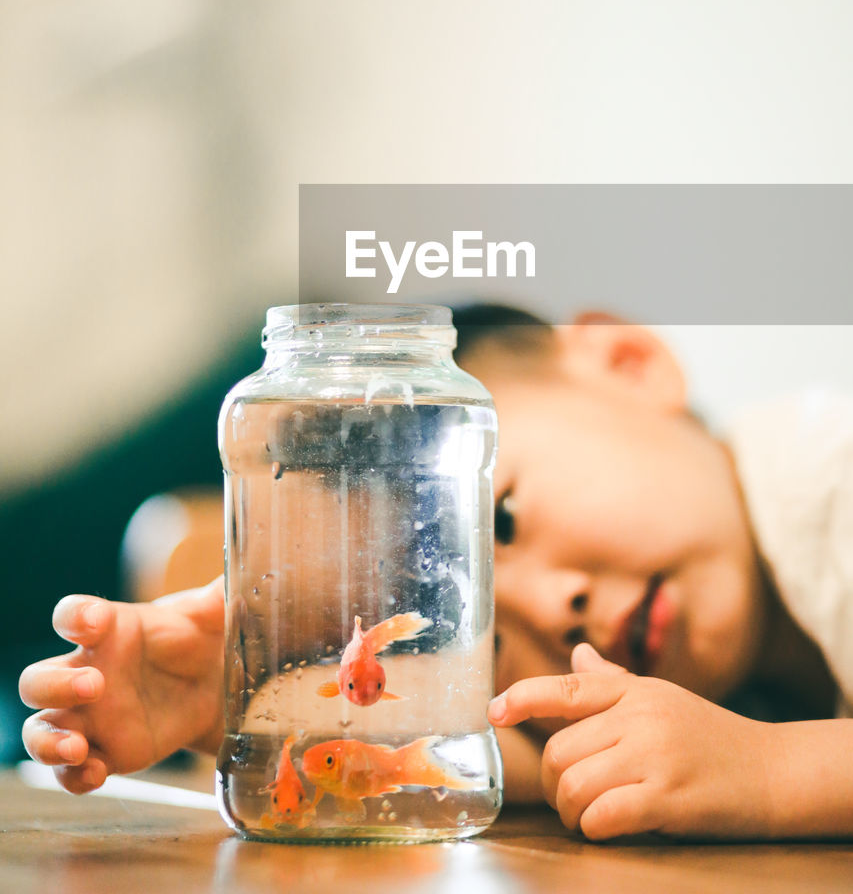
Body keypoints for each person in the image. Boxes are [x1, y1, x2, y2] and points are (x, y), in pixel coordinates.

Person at [17, 306, 853, 839]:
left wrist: (770, 771)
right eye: (470, 618)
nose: (539, 608)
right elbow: (491, 743)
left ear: (622, 364)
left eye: (503, 518)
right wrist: (250, 705)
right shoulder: (713, 677)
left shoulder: (831, 475)